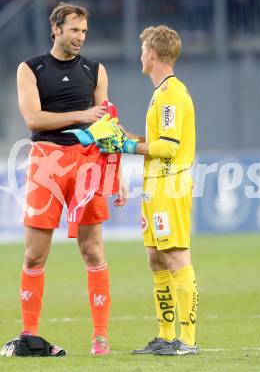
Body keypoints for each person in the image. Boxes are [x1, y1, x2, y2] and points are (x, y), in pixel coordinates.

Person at [0, 2, 126, 357]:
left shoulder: (96, 71)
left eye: (84, 31)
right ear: (55, 28)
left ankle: (100, 338)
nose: (80, 37)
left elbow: (107, 125)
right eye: (74, 30)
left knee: (93, 250)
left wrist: (118, 173)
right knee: (35, 256)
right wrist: (81, 114)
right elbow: (34, 120)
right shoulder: (30, 69)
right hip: (47, 161)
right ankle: (29, 336)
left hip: (88, 162)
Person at [96, 25, 199, 355]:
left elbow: (169, 147)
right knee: (156, 259)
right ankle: (165, 336)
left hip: (170, 183)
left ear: (152, 54)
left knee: (175, 254)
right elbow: (157, 141)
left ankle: (187, 340)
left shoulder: (171, 95)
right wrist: (129, 137)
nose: (140, 55)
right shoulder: (161, 92)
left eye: (143, 50)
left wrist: (125, 146)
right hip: (155, 186)